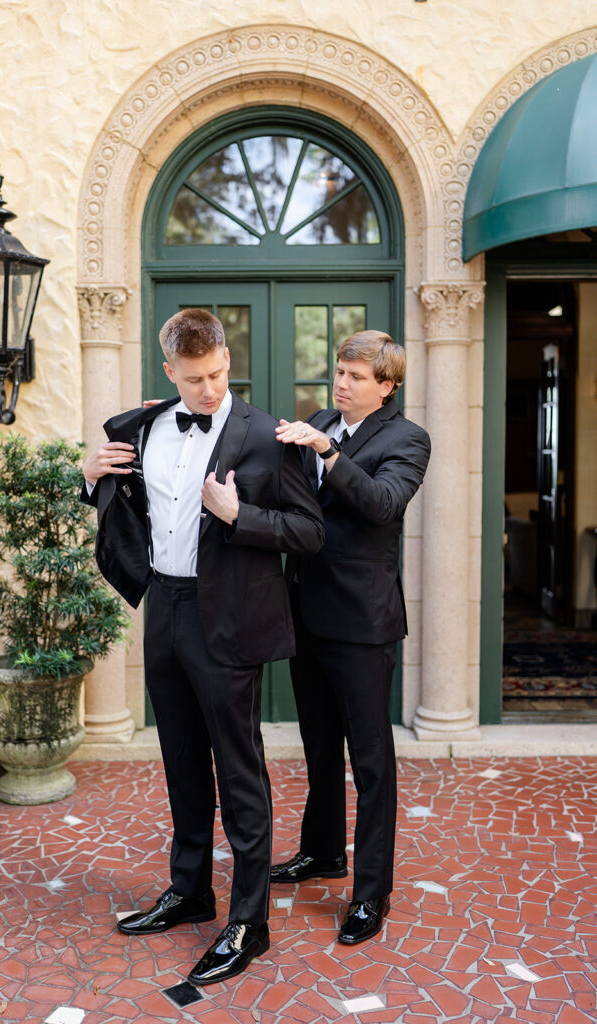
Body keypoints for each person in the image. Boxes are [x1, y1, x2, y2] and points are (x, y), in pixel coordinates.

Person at [81, 308, 324, 985]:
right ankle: (189, 890)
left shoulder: (268, 436)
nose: (209, 391)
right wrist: (88, 474)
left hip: (230, 619)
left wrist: (238, 516)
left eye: (217, 374)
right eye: (194, 380)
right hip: (165, 606)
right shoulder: (142, 426)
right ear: (170, 373)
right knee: (181, 758)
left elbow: (308, 531)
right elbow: (120, 501)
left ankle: (250, 920)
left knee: (239, 769)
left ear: (226, 358)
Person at [272, 330, 430, 945]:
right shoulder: (319, 420)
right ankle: (321, 853)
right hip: (305, 614)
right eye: (340, 371)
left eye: (357, 376)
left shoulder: (407, 438)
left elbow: (382, 504)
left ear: (386, 386)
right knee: (317, 747)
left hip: (363, 625)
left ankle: (371, 894)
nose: (341, 383)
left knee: (371, 763)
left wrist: (329, 454)